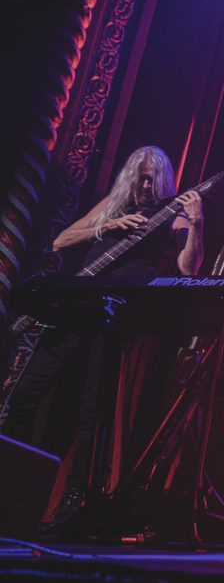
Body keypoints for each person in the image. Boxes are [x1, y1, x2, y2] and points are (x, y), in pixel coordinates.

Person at [0, 146, 203, 517]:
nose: (144, 184)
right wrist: (108, 225)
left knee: (94, 410)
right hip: (78, 308)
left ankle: (74, 503)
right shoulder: (114, 205)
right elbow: (61, 241)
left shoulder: (171, 215)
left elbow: (189, 269)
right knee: (24, 396)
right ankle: (10, 491)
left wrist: (197, 223)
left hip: (117, 316)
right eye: (139, 177)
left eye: (151, 178)